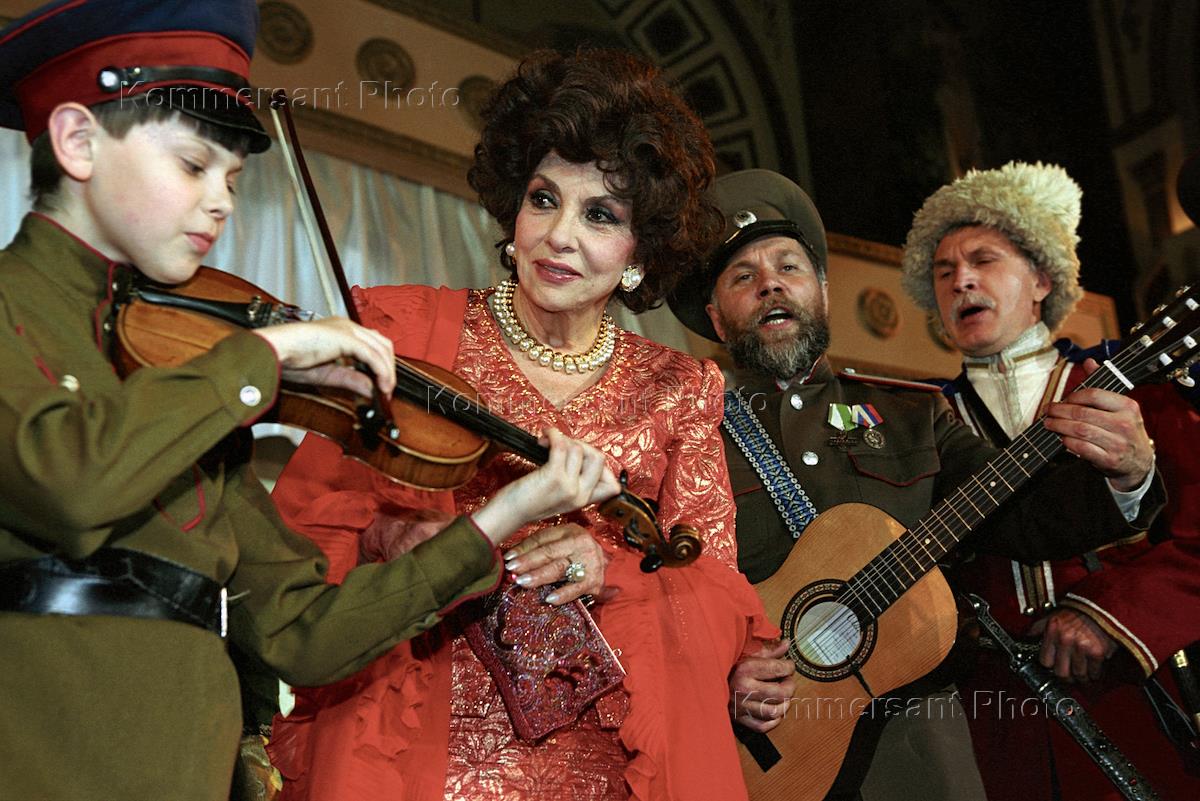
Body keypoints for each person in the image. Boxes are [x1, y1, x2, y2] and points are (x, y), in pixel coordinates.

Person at [0, 3, 621, 799]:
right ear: (77, 142)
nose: (222, 202)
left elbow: (303, 633)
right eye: (193, 165)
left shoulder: (183, 370)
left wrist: (499, 518)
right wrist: (264, 355)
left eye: (232, 180)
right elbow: (71, 482)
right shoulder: (41, 316)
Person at [265, 49, 774, 801]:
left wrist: (610, 570)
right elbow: (299, 536)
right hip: (416, 749)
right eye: (544, 199)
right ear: (513, 212)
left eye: (600, 215)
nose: (560, 234)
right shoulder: (402, 333)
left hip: (613, 762)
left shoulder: (682, 386)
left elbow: (715, 596)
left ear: (640, 251)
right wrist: (387, 536)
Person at [666, 168, 1163, 801]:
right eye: (743, 277)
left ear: (822, 290)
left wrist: (1130, 474)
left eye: (789, 267)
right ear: (715, 317)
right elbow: (657, 596)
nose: (770, 284)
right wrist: (720, 669)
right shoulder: (683, 439)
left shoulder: (911, 413)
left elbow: (1027, 515)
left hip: (921, 741)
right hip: (765, 748)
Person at [900, 160, 1200, 800]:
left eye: (983, 259)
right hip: (992, 717)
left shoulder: (1131, 384)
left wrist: (1112, 614)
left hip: (1130, 688)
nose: (961, 280)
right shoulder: (916, 420)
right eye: (943, 271)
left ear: (1041, 279)